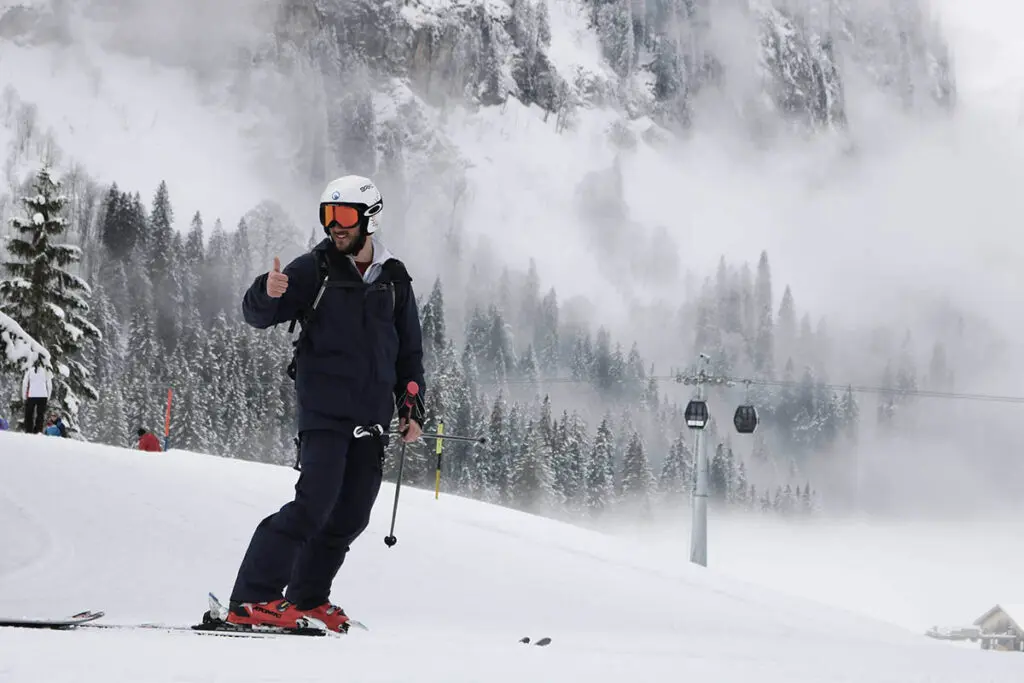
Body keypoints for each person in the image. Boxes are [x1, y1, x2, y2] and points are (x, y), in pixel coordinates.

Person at [224, 174, 425, 633]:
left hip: (371, 419)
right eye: (328, 216)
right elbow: (259, 315)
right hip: (325, 414)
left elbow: (409, 352)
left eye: (345, 216)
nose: (335, 226)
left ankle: (309, 599)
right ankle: (252, 598)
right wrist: (265, 292)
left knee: (351, 515)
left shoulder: (394, 279)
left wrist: (411, 409)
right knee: (312, 505)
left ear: (368, 217)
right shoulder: (313, 269)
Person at [22, 364, 52, 434]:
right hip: (43, 395)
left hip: (31, 395)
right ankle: (38, 431)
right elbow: (49, 384)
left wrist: (24, 396)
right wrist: (48, 396)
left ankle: (29, 430)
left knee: (29, 414)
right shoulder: (46, 371)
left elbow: (25, 383)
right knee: (40, 414)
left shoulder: (29, 370)